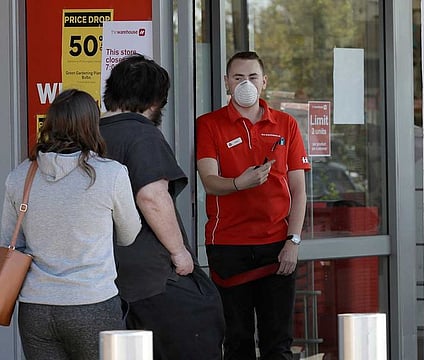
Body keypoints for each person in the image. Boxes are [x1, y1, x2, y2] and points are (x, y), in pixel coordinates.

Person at [0, 89, 141, 360]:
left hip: (36, 308)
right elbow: (129, 234)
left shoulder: (20, 176)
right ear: (91, 124)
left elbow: (11, 241)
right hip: (93, 303)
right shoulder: (111, 174)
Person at [100, 54, 225, 360]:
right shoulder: (142, 134)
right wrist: (180, 253)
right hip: (152, 279)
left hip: (105, 281)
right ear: (156, 102)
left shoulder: (90, 133)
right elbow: (152, 196)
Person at [196, 51, 311, 360]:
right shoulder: (208, 125)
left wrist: (294, 240)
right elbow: (208, 179)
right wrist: (237, 183)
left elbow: (299, 189)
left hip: (277, 246)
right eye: (237, 78)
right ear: (226, 83)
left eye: (252, 77)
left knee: (278, 344)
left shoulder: (285, 124)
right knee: (237, 343)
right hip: (228, 246)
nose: (245, 84)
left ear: (264, 82)